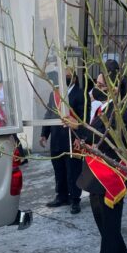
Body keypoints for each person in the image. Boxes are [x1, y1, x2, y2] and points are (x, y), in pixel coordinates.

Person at [68, 61, 127, 253]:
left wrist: (78, 127)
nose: (97, 88)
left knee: (110, 227)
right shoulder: (105, 108)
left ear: (113, 88)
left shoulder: (118, 111)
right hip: (97, 175)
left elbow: (102, 136)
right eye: (97, 83)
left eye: (101, 85)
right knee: (105, 226)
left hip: (110, 175)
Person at [40, 68, 86, 214]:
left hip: (73, 139)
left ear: (73, 78)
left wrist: (81, 138)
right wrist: (44, 134)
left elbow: (84, 119)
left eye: (67, 76)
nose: (64, 79)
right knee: (58, 170)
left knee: (73, 171)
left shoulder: (80, 94)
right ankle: (61, 196)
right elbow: (49, 114)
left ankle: (75, 200)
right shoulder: (54, 94)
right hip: (56, 139)